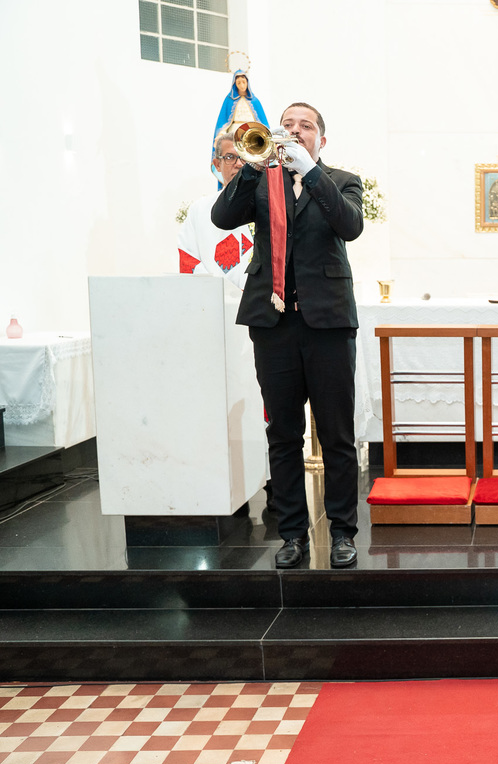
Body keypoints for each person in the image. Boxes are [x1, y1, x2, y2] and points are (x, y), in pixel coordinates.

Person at [212, 102, 364, 569]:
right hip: (273, 323)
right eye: (289, 125)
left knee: (336, 435)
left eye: (307, 127)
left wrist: (310, 172)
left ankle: (342, 532)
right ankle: (293, 534)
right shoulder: (263, 179)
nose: (296, 131)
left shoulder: (340, 180)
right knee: (282, 433)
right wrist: (253, 166)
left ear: (322, 139)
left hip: (328, 324)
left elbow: (350, 225)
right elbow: (222, 217)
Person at [178, 132, 254, 287]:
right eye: (230, 157)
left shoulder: (268, 204)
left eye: (244, 157)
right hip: (213, 303)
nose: (239, 164)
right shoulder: (199, 210)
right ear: (217, 164)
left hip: (259, 302)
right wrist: (220, 292)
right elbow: (187, 258)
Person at [211, 70, 268, 186]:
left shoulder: (255, 102)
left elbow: (263, 124)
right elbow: (222, 122)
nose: (242, 85)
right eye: (239, 83)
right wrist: (221, 135)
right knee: (232, 160)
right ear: (235, 84)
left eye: (243, 82)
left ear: (247, 83)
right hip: (234, 137)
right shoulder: (229, 101)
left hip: (251, 139)